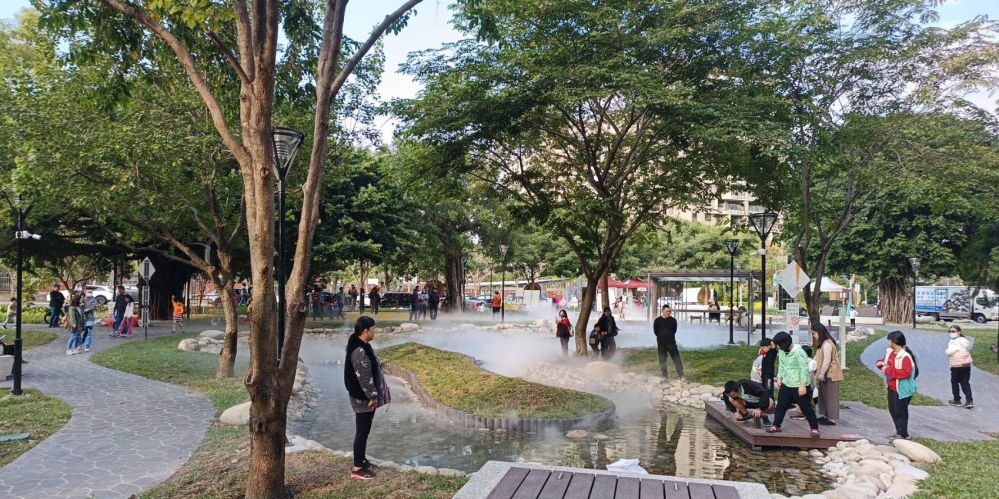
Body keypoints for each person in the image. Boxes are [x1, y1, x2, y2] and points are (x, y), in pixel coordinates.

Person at [344, 316, 391, 480]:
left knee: (364, 430)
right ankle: (357, 469)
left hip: (364, 397)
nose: (374, 332)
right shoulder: (359, 351)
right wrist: (373, 396)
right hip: (362, 398)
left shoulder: (362, 345)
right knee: (362, 431)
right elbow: (365, 378)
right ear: (366, 331)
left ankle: (362, 460)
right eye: (373, 329)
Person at [768, 331, 821, 437]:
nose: (777, 347)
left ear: (784, 343)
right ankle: (776, 425)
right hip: (786, 383)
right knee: (781, 405)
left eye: (778, 344)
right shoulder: (782, 351)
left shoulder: (799, 352)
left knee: (806, 407)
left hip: (799, 384)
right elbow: (782, 365)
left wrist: (803, 385)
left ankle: (814, 428)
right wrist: (779, 378)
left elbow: (804, 369)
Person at [876, 331, 918, 441]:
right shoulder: (890, 353)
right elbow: (885, 362)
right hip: (891, 387)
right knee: (893, 410)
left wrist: (887, 370)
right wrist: (880, 363)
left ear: (893, 342)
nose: (888, 342)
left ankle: (903, 434)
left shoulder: (905, 356)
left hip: (902, 389)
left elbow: (905, 373)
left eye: (889, 340)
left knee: (900, 412)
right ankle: (899, 432)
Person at [812, 323, 843, 425]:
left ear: (819, 332)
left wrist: (821, 373)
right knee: (823, 394)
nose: (814, 336)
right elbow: (818, 357)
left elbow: (827, 360)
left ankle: (831, 418)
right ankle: (825, 415)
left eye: (815, 333)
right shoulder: (823, 343)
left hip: (830, 373)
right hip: (825, 373)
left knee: (830, 395)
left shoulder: (827, 344)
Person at [653, 305, 685, 382]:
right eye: (667, 311)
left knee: (677, 359)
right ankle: (665, 377)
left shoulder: (673, 320)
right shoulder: (657, 321)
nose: (668, 313)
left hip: (671, 343)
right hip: (661, 344)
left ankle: (681, 376)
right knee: (662, 361)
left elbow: (674, 330)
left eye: (669, 311)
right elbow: (656, 332)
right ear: (662, 311)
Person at [945, 325, 973, 409]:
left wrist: (947, 351)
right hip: (966, 365)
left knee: (954, 382)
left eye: (953, 331)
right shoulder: (965, 342)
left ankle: (957, 399)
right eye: (950, 331)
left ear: (959, 332)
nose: (951, 333)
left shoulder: (954, 342)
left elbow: (949, 351)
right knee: (965, 382)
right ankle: (969, 400)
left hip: (956, 365)